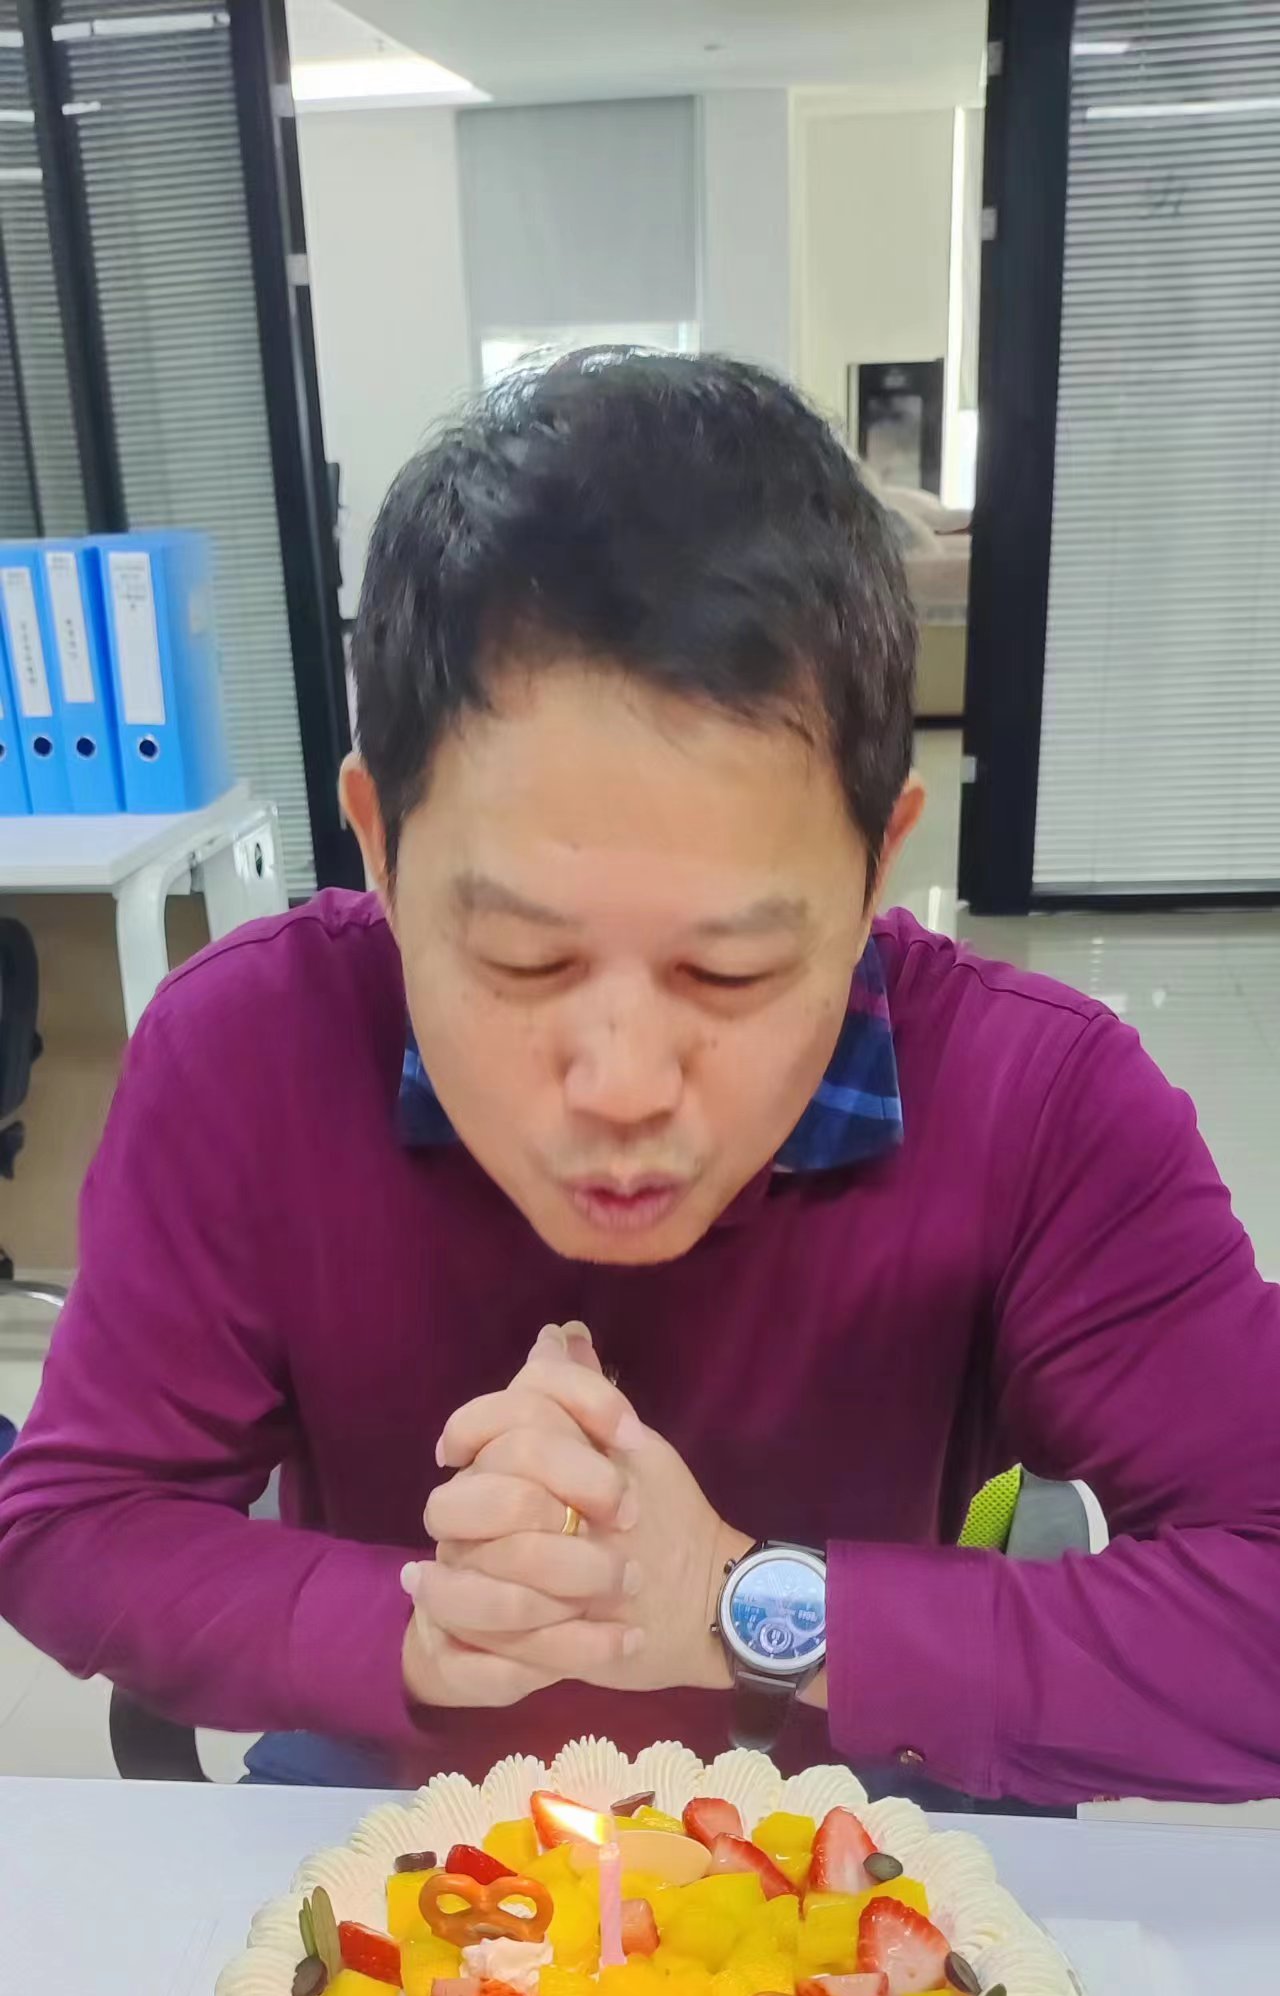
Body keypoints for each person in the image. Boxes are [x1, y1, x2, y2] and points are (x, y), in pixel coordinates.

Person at [0, 351, 1277, 1807]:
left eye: (729, 974)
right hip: (418, 1799)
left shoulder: (1037, 1100)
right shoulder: (249, 1052)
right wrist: (421, 1624)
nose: (620, 1086)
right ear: (379, 845)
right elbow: (73, 1521)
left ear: (877, 866)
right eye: (522, 959)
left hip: (849, 1808)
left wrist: (742, 1602)